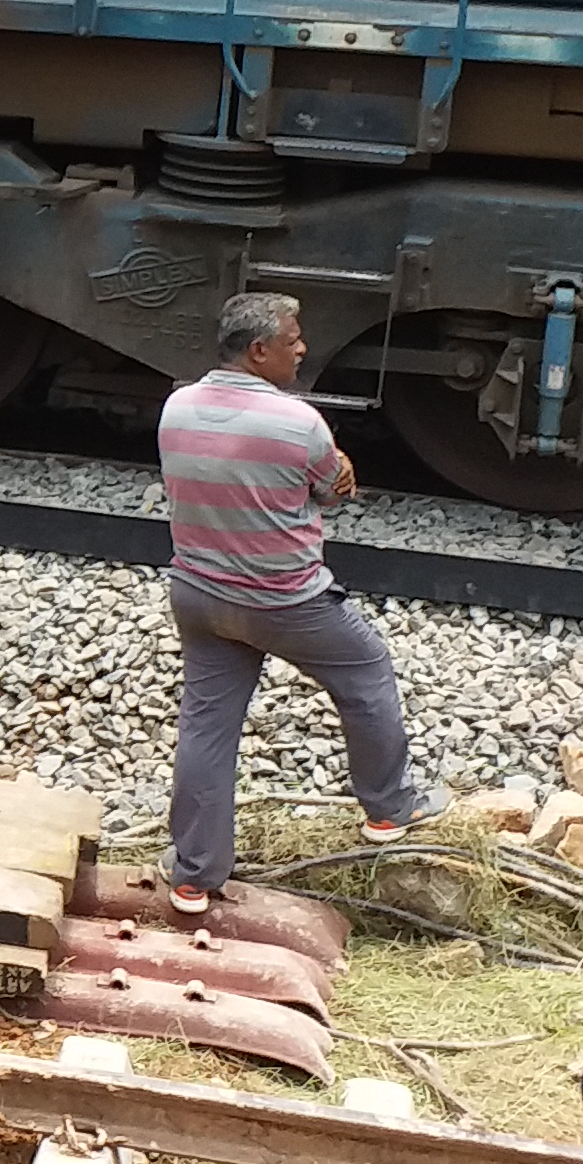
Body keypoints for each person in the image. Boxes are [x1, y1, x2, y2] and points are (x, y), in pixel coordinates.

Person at [155, 291, 444, 914]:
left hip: (199, 594)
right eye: (293, 339)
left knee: (208, 726)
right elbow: (332, 489)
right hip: (286, 601)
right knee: (366, 673)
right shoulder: (299, 422)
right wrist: (335, 464)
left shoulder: (177, 407)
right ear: (259, 352)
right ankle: (389, 810)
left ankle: (193, 875)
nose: (303, 348)